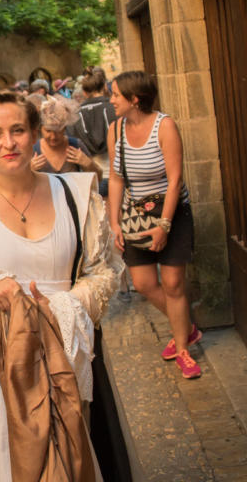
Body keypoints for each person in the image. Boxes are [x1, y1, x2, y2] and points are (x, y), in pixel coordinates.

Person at [0, 91, 122, 480]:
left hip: (70, 359)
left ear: (35, 133)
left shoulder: (76, 196)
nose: (7, 143)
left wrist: (64, 306)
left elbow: (104, 271)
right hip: (3, 375)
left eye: (17, 130)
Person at [107, 70, 201, 379]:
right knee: (145, 283)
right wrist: (115, 223)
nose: (111, 100)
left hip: (171, 212)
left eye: (116, 95)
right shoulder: (115, 129)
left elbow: (175, 180)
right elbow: (117, 178)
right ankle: (186, 328)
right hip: (135, 215)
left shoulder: (166, 126)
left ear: (134, 99)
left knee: (173, 284)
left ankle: (183, 349)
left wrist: (164, 225)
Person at [31, 95, 103, 182]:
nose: (53, 137)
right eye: (48, 131)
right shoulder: (33, 150)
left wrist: (89, 164)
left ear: (65, 128)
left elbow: (98, 179)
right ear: (40, 129)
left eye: (58, 131)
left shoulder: (75, 145)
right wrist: (29, 170)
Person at [69, 66, 117, 196]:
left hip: (92, 177)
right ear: (104, 87)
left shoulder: (75, 115)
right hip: (118, 174)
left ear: (84, 92)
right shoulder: (115, 108)